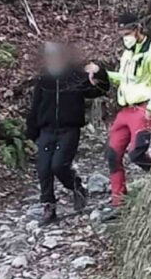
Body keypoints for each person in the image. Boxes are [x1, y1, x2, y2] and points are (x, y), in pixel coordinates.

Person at [86, 12, 151, 208]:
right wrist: (102, 74)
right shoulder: (127, 54)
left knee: (137, 153)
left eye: (128, 32)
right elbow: (125, 79)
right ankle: (119, 202)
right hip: (125, 110)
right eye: (122, 33)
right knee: (112, 154)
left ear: (138, 29)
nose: (125, 37)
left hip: (143, 107)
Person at [26, 42, 110, 226]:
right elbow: (35, 105)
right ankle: (48, 205)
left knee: (59, 166)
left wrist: (99, 72)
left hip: (69, 129)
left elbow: (100, 90)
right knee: (43, 169)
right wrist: (31, 130)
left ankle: (76, 187)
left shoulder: (75, 77)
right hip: (46, 129)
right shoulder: (43, 79)